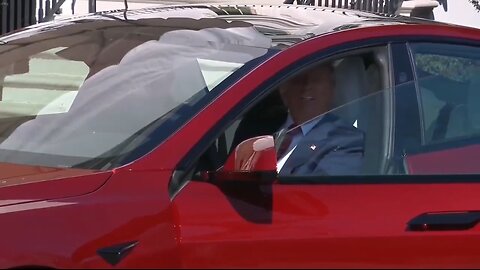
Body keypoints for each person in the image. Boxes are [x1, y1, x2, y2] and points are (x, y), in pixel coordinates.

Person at [276, 62, 364, 176]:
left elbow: (321, 191)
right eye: (299, 78)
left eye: (316, 79)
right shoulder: (260, 125)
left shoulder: (347, 141)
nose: (307, 85)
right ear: (284, 90)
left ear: (331, 89)